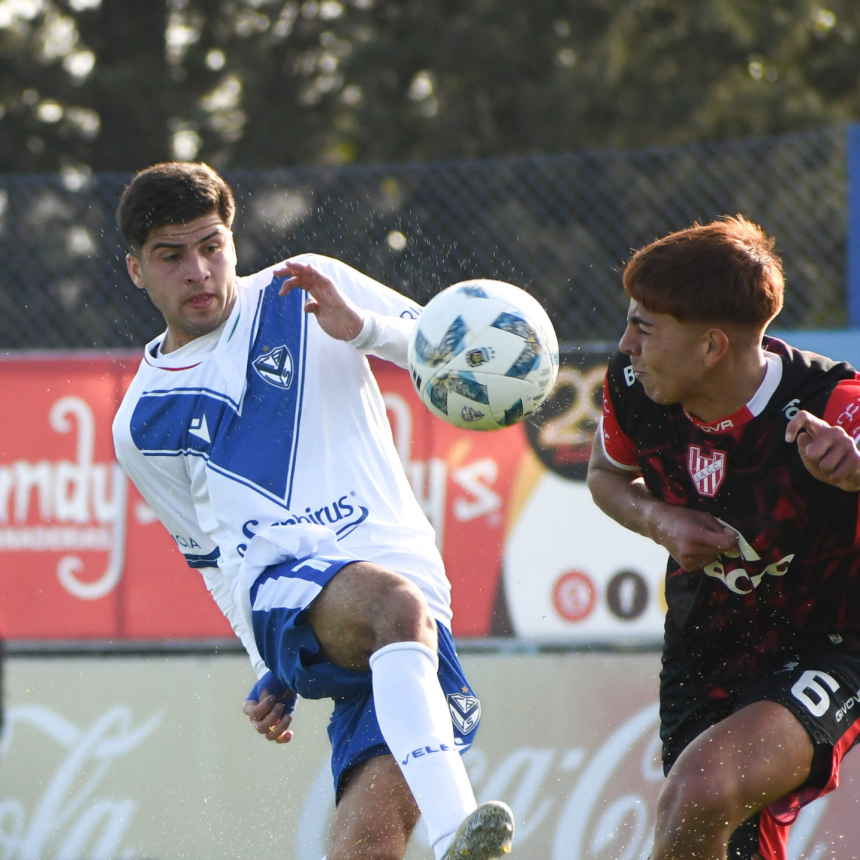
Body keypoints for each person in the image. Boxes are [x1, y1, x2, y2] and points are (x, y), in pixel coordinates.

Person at [111, 162, 514, 860]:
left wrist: (362, 328)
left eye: (210, 246)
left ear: (232, 240)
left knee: (368, 844)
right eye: (170, 256)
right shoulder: (141, 422)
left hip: (410, 601)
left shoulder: (306, 287)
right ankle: (460, 833)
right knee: (393, 605)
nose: (198, 271)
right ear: (136, 270)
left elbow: (450, 361)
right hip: (286, 585)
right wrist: (264, 660)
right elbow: (210, 560)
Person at [587, 216, 860, 860]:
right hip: (703, 648)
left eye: (644, 328)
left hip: (832, 645)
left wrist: (856, 474)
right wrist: (661, 520)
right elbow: (605, 475)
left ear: (712, 346)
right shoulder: (634, 388)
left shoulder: (836, 403)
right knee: (722, 836)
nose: (626, 344)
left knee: (700, 790)